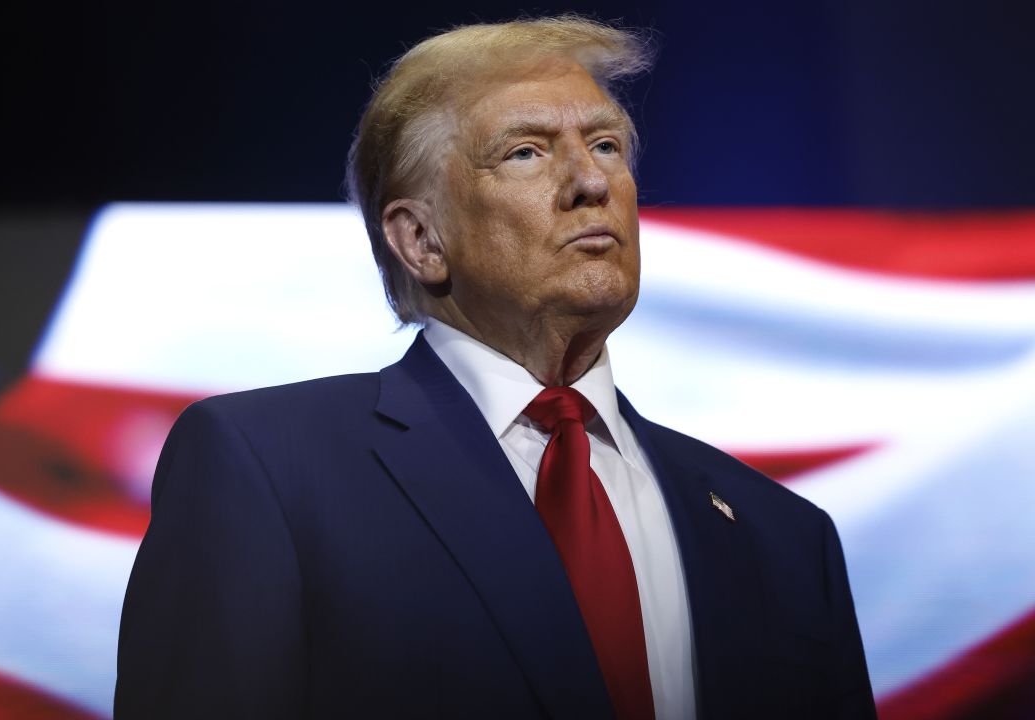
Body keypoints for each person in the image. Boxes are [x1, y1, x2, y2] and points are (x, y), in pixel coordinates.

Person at [115, 16, 876, 720]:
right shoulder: (271, 471)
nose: (591, 182)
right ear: (420, 240)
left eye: (607, 145)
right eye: (526, 152)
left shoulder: (784, 538)